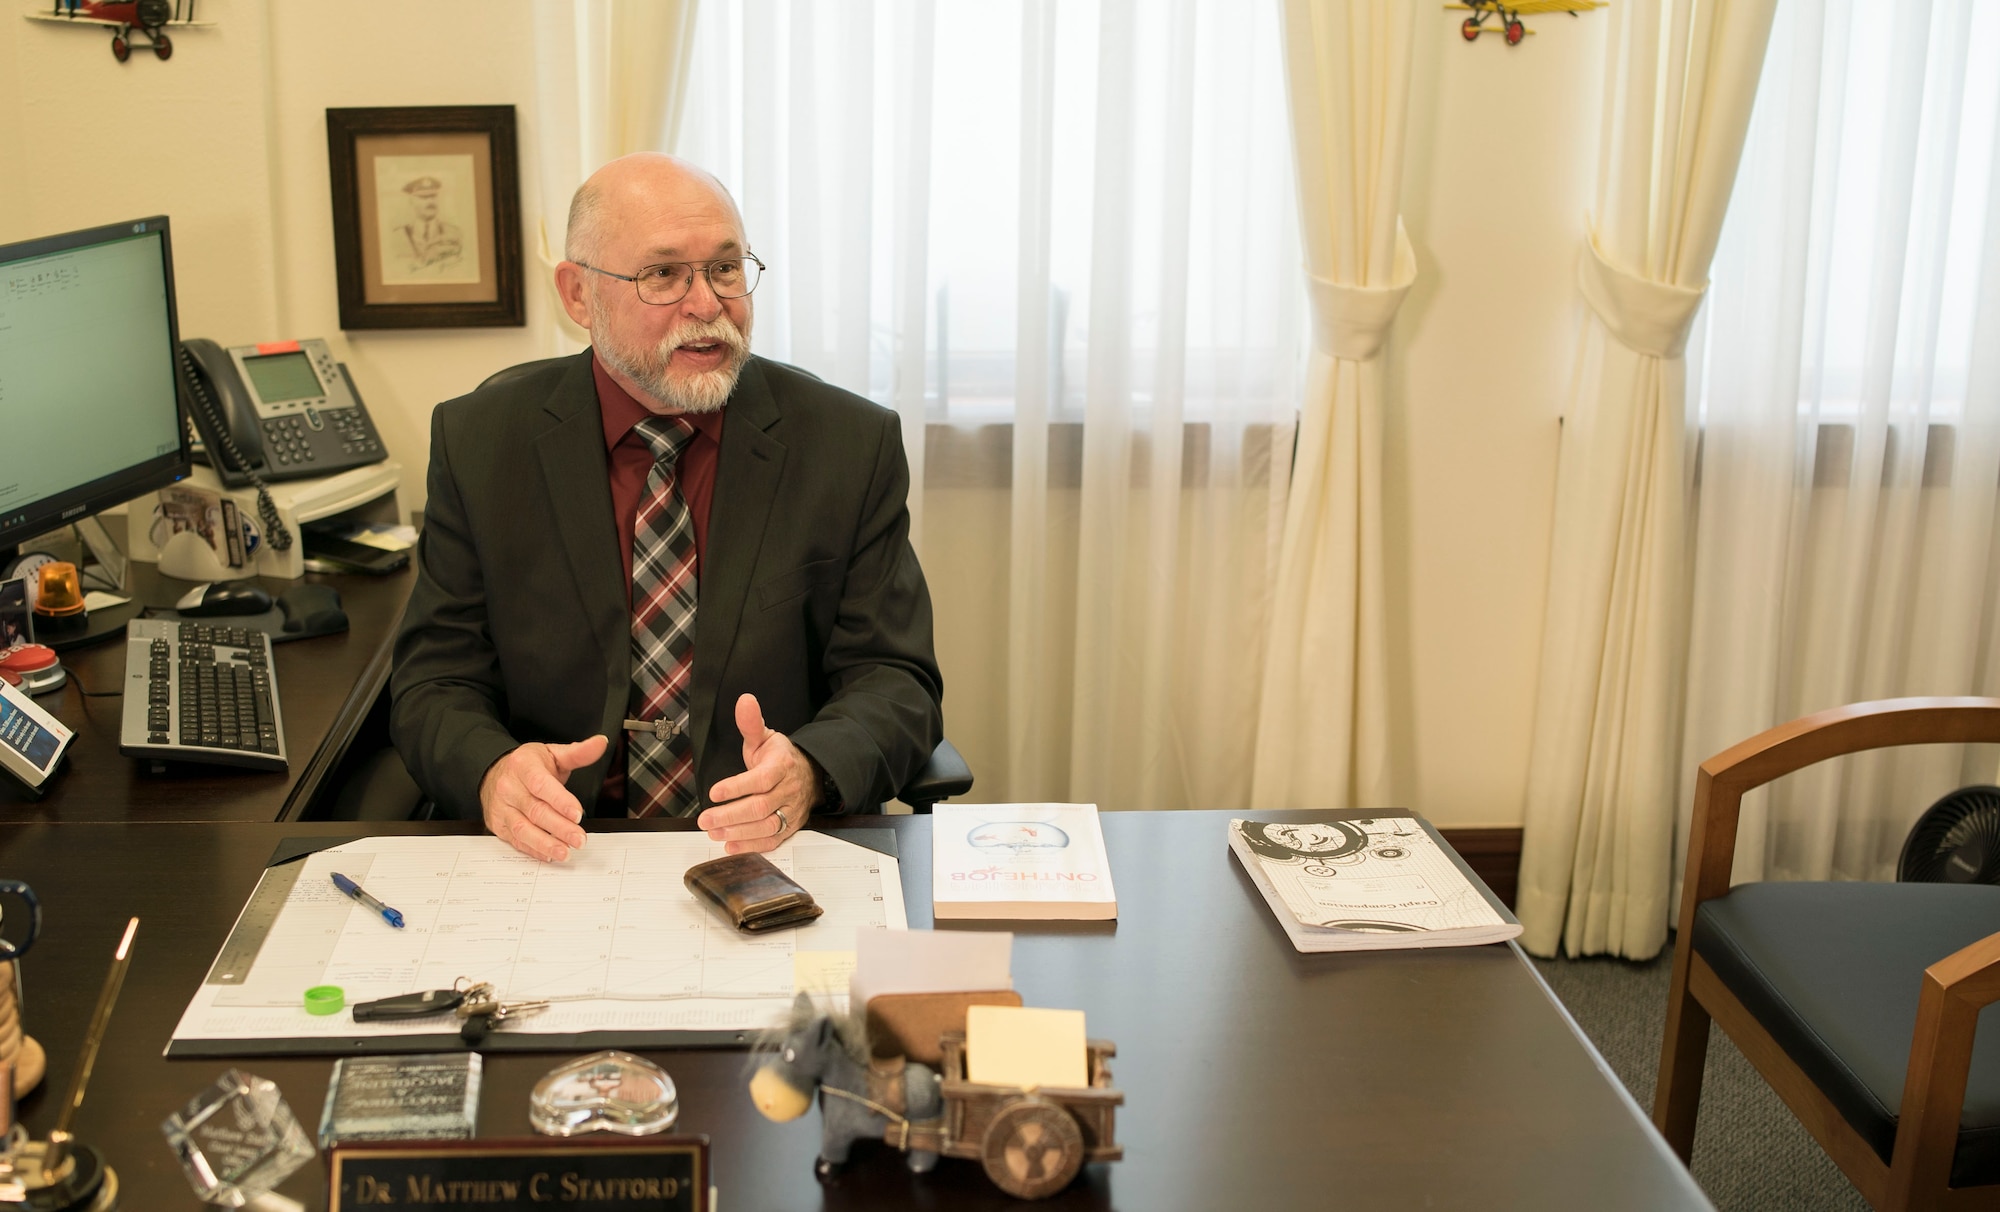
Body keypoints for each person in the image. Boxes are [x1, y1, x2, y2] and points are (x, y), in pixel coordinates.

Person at [390, 153, 943, 862]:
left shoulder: (847, 444)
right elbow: (435, 680)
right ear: (579, 295)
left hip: (766, 851)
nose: (707, 305)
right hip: (561, 851)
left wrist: (811, 770)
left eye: (725, 268)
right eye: (663, 274)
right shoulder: (480, 443)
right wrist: (494, 771)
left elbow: (896, 680)